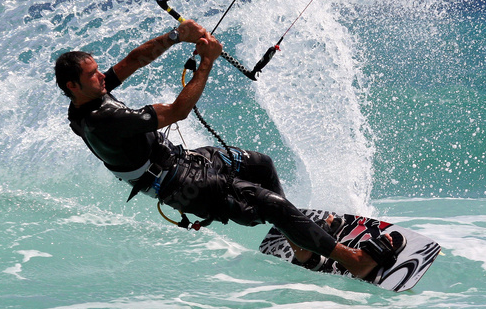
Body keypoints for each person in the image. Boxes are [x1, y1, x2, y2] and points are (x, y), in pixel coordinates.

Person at [54, 19, 402, 281]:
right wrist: (207, 61)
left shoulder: (85, 99)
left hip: (183, 160)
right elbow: (178, 111)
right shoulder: (102, 120)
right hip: (182, 185)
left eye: (98, 70)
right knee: (270, 205)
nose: (103, 76)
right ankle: (353, 261)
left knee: (261, 165)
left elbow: (131, 61)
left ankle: (302, 248)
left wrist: (176, 36)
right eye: (94, 74)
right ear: (73, 85)